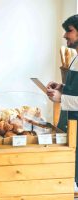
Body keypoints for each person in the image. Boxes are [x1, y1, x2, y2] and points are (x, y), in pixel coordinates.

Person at [46, 14, 78, 188]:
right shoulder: (75, 57)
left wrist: (61, 98)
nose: (65, 35)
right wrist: (62, 87)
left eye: (70, 31)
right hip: (69, 123)